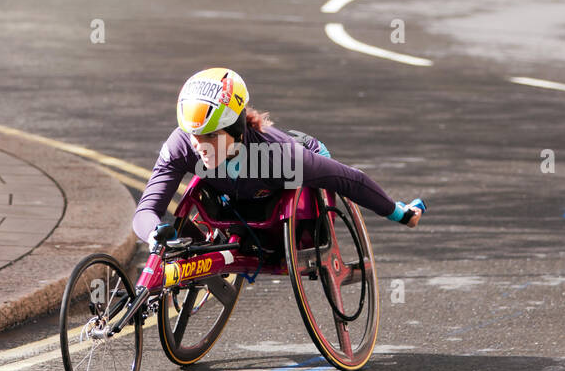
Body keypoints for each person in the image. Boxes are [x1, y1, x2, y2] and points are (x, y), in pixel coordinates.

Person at [132, 69, 425, 254]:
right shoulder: (181, 146)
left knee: (298, 236)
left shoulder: (278, 159)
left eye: (210, 136)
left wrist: (399, 213)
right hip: (239, 193)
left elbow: (349, 178)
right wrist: (154, 234)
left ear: (236, 130)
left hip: (296, 166)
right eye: (193, 134)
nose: (199, 145)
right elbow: (146, 210)